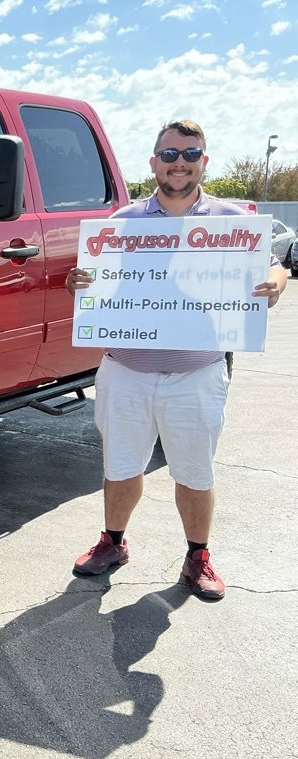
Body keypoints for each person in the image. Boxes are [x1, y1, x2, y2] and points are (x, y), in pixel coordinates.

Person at [65, 120, 287, 600]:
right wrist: (78, 284)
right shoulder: (121, 223)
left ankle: (198, 555)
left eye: (189, 154)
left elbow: (274, 264)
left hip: (197, 372)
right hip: (126, 369)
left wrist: (277, 282)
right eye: (169, 155)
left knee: (194, 471)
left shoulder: (231, 221)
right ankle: (114, 542)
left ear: (204, 161)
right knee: (121, 466)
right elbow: (91, 278)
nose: (179, 163)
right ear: (153, 162)